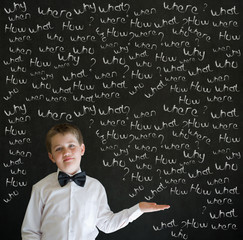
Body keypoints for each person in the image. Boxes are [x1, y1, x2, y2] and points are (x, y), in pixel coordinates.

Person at [21, 123, 170, 240]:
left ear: (82, 149)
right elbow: (30, 231)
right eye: (59, 148)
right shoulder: (41, 188)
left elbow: (106, 224)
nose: (66, 152)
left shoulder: (95, 187)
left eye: (71, 146)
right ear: (52, 157)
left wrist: (138, 209)